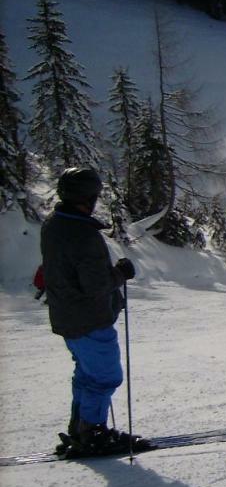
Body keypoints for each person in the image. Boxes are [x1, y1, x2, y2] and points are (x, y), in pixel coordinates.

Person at [40, 168, 138, 452]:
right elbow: (96, 285)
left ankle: (81, 427)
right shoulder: (81, 233)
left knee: (86, 374)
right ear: (89, 197)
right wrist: (121, 273)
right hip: (89, 318)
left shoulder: (54, 224)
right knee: (105, 376)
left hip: (67, 317)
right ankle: (92, 431)